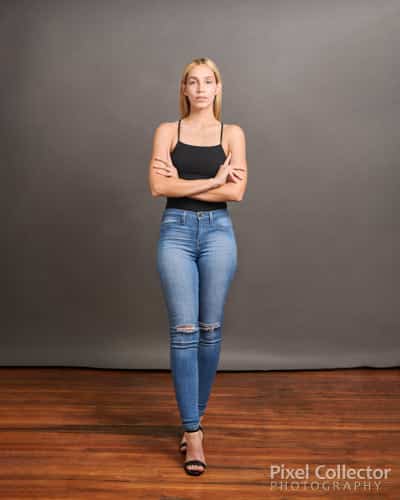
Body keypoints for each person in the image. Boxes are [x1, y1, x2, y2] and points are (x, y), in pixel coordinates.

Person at [148, 57, 248, 476]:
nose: (202, 88)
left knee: (210, 330)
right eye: (194, 82)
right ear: (184, 90)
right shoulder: (168, 131)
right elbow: (158, 186)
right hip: (175, 232)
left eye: (209, 81)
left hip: (218, 235)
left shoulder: (233, 134)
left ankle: (193, 418)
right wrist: (212, 181)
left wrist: (185, 183)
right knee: (184, 330)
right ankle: (194, 432)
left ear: (218, 88)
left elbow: (238, 192)